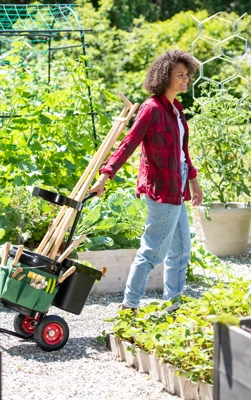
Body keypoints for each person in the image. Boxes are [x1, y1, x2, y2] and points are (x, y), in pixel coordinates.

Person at [89, 50, 203, 310]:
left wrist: (193, 180)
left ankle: (173, 306)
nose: (186, 79)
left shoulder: (176, 108)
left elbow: (182, 151)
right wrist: (106, 175)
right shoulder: (151, 109)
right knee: (152, 253)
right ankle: (129, 307)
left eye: (187, 74)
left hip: (179, 185)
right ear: (165, 77)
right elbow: (129, 143)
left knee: (181, 251)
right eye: (180, 75)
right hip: (162, 189)